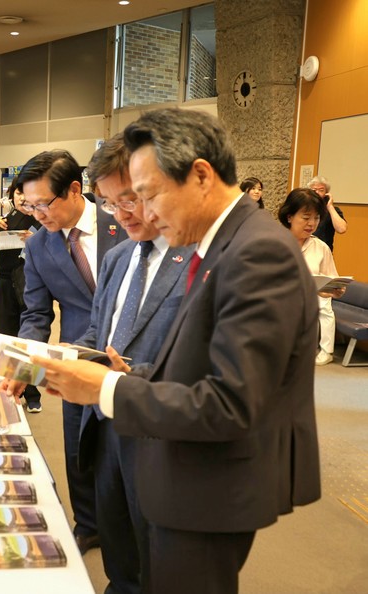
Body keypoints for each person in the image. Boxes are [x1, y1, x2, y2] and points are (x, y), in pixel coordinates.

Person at [32, 108, 321, 594]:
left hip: (206, 477)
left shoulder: (257, 250)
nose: (143, 213)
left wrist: (109, 387)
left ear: (201, 176)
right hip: (176, 457)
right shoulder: (224, 242)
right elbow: (190, 361)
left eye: (146, 195)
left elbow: (231, 403)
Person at [75, 135, 194, 594]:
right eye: (108, 203)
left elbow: (204, 365)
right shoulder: (118, 256)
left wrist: (133, 378)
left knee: (163, 561)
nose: (120, 214)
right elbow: (99, 332)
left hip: (162, 434)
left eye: (129, 199)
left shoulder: (202, 260)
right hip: (106, 426)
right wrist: (56, 359)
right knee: (120, 549)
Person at [5, 149, 128, 554]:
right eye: (29, 206)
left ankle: (130, 527)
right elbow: (36, 314)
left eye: (44, 204)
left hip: (131, 354)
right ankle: (88, 524)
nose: (37, 214)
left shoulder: (123, 223)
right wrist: (24, 369)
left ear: (75, 189)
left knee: (128, 446)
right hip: (76, 356)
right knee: (79, 445)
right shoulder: (40, 245)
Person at [0, 176, 42, 411]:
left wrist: (37, 241)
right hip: (5, 283)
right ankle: (10, 389)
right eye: (18, 193)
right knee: (7, 338)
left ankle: (33, 394)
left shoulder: (42, 220)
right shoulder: (4, 221)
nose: (23, 198)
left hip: (32, 284)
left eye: (27, 193)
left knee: (30, 341)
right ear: (12, 195)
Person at [279, 188, 346, 366]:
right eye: (306, 217)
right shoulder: (273, 243)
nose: (312, 223)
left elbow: (329, 280)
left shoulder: (321, 247)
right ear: (289, 217)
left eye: (316, 218)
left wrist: (333, 290)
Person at [308, 175, 347, 252]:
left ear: (326, 193)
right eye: (314, 190)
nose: (317, 193)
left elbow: (342, 229)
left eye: (321, 190)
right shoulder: (303, 209)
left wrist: (330, 206)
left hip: (323, 252)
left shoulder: (333, 210)